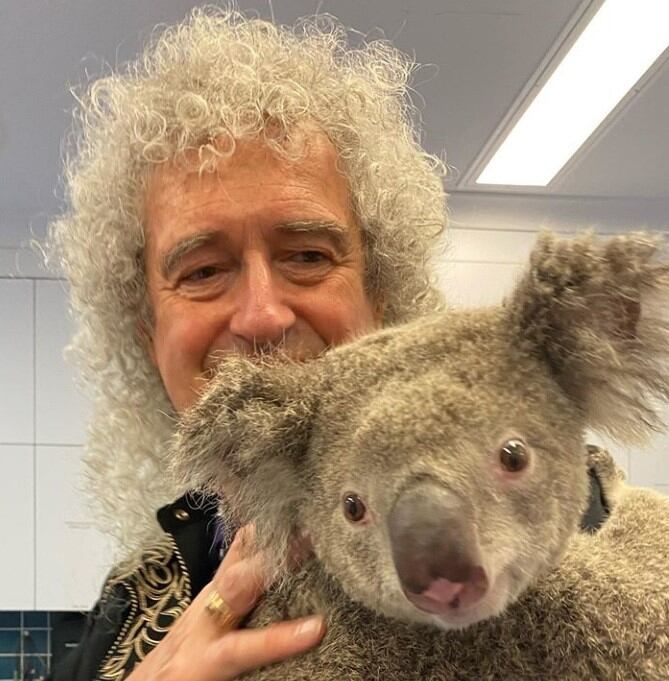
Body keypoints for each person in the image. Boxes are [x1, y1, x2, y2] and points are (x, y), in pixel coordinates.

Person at [44, 8, 608, 681]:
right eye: (201, 270)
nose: (260, 315)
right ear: (150, 334)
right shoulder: (134, 597)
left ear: (380, 295)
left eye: (307, 255)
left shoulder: (563, 508)